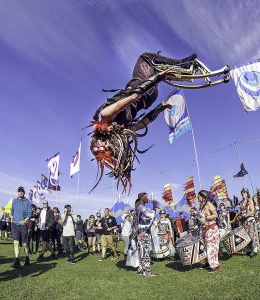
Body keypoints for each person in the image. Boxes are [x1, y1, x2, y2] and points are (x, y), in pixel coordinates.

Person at [90, 52, 197, 192]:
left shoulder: (124, 130)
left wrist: (160, 107)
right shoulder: (106, 116)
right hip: (143, 87)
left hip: (149, 96)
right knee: (145, 57)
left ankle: (172, 70)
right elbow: (134, 95)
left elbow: (144, 123)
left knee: (155, 66)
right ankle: (183, 64)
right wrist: (159, 77)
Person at [127, 192, 156, 276]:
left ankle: (141, 269)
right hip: (143, 233)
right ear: (141, 197)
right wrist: (154, 206)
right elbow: (150, 215)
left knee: (141, 252)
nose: (148, 198)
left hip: (139, 233)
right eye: (146, 196)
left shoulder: (138, 208)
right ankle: (146, 271)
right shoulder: (141, 207)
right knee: (145, 252)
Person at [197, 190, 220, 273]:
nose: (197, 198)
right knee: (206, 247)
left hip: (211, 229)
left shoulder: (209, 204)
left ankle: (215, 266)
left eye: (199, 197)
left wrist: (205, 218)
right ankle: (207, 263)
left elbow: (215, 215)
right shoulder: (201, 205)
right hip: (205, 229)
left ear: (203, 197)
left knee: (212, 247)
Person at [10, 186, 32, 268]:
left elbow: (30, 214)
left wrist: (25, 220)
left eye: (22, 191)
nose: (20, 192)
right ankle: (17, 261)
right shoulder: (14, 201)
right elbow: (12, 211)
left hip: (23, 226)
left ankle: (27, 258)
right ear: (17, 192)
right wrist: (12, 219)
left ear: (24, 192)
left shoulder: (27, 202)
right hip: (15, 225)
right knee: (15, 243)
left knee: (25, 244)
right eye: (19, 191)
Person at [239, 188, 260, 258]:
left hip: (250, 219)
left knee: (252, 235)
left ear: (247, 193)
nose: (243, 194)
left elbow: (252, 211)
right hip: (244, 221)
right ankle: (248, 250)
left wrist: (246, 215)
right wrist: (240, 216)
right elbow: (241, 211)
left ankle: (255, 250)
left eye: (244, 193)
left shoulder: (249, 200)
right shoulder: (241, 202)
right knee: (246, 236)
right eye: (242, 193)